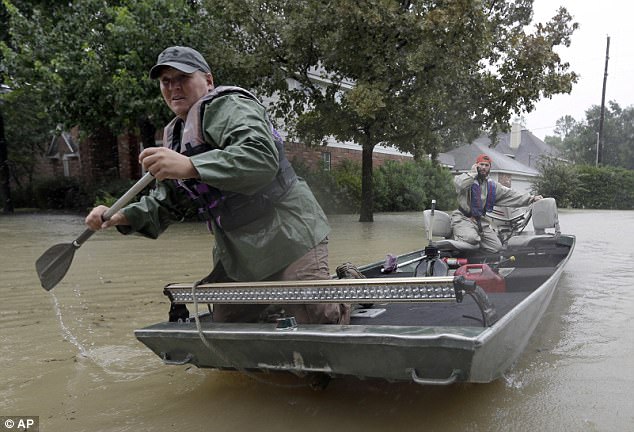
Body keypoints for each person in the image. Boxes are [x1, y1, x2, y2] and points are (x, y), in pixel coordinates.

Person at [85, 46, 350, 325]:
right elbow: (170, 200)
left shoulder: (230, 106)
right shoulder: (174, 136)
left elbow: (260, 158)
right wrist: (120, 216)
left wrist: (190, 166)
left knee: (318, 319)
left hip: (291, 233)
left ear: (208, 81)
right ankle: (277, 306)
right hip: (239, 249)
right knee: (226, 323)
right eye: (166, 81)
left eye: (183, 78)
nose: (174, 88)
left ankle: (348, 293)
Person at [451, 153, 543, 253]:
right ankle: (458, 235)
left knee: (496, 247)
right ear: (476, 165)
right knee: (472, 238)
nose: (483, 167)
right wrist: (473, 174)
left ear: (490, 168)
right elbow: (459, 185)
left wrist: (532, 198)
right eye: (481, 164)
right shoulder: (466, 178)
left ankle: (479, 255)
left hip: (480, 222)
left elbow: (510, 194)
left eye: (487, 165)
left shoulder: (492, 186)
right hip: (463, 218)